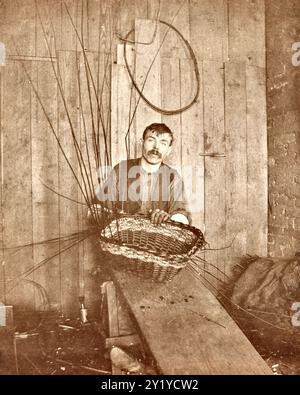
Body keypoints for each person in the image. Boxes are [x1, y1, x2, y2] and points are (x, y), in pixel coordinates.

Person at [90, 123, 191, 225]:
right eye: (151, 140)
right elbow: (98, 209)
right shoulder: (121, 169)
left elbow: (180, 214)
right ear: (142, 143)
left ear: (169, 150)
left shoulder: (172, 177)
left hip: (158, 239)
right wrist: (110, 215)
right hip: (123, 237)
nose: (156, 147)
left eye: (163, 143)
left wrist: (168, 219)